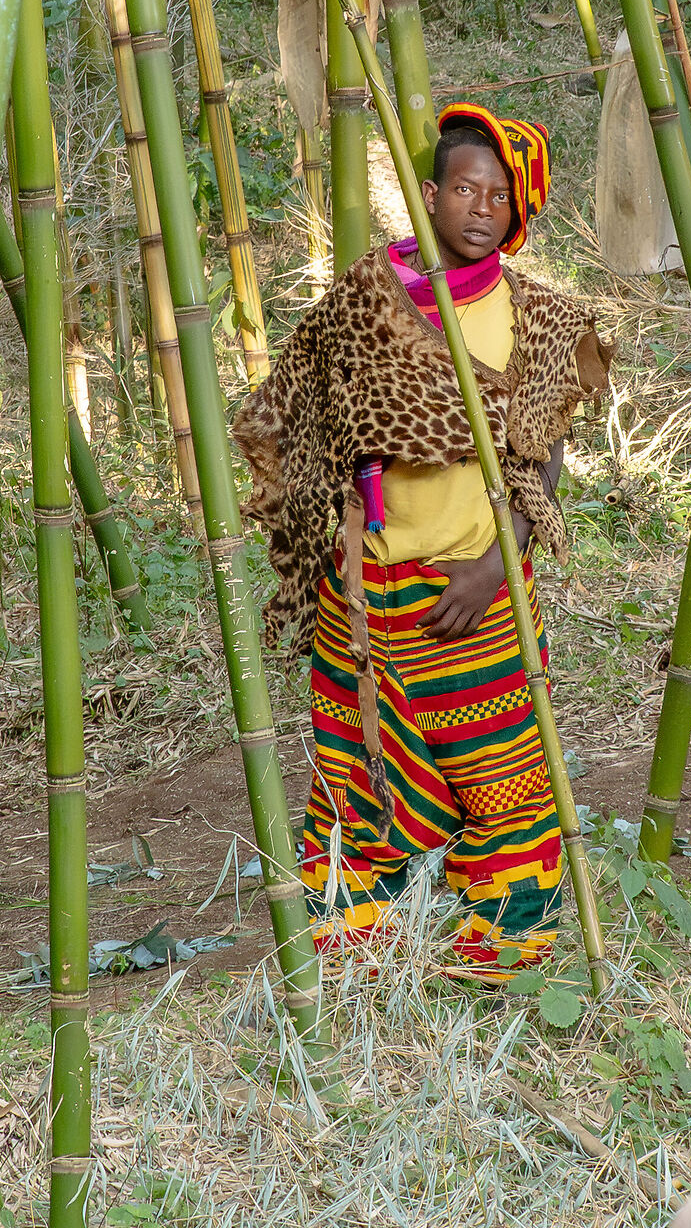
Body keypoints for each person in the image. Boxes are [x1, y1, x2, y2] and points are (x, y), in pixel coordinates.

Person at [234, 102, 611, 978]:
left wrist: (494, 567)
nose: (482, 208)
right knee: (353, 768)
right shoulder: (365, 299)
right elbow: (301, 417)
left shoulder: (537, 321)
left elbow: (543, 463)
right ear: (429, 197)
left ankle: (505, 935)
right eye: (465, 189)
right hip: (366, 593)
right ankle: (350, 937)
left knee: (503, 771)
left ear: (517, 214)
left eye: (500, 197)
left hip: (478, 590)